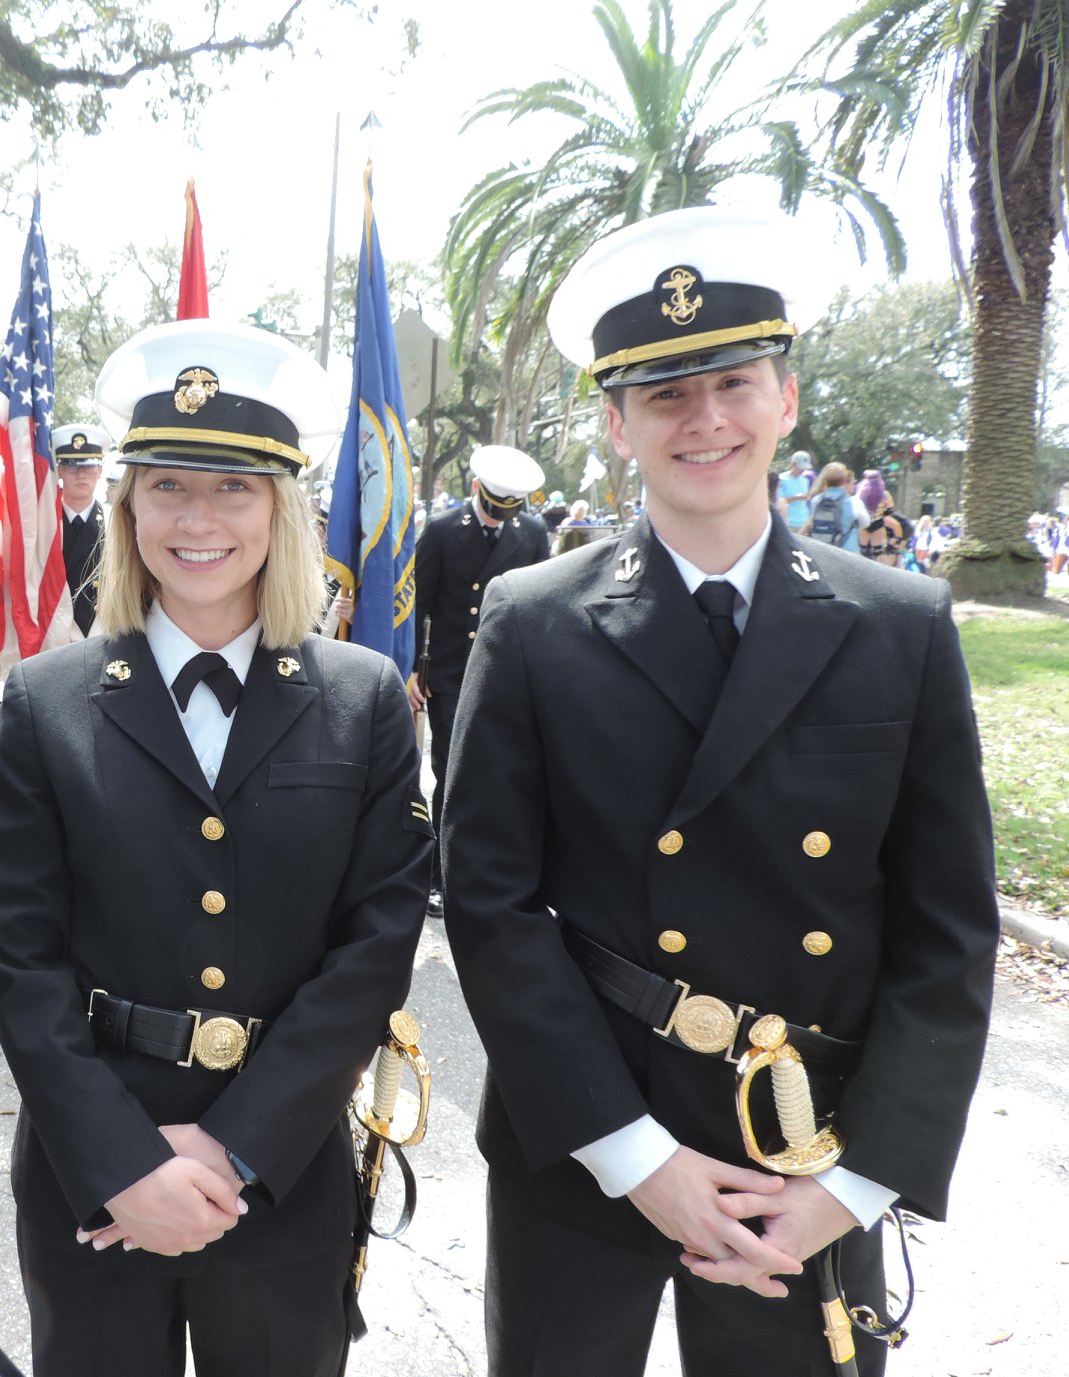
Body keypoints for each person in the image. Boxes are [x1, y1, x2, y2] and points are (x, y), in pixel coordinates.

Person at [445, 204, 998, 1376]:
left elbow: (947, 931)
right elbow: (490, 903)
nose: (705, 421)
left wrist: (858, 1176)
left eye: (735, 383)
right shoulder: (533, 622)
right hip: (586, 1136)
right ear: (616, 424)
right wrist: (630, 1152)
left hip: (805, 1149)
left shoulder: (898, 627)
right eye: (663, 396)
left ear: (786, 401)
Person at [0, 318, 432, 1377]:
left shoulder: (360, 702)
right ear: (127, 508)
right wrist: (124, 1161)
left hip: (284, 1163)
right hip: (94, 1171)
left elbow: (376, 945)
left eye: (233, 488)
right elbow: (13, 950)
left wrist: (233, 1150)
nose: (198, 518)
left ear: (283, 509)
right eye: (167, 486)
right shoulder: (49, 700)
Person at [409, 444, 548, 918]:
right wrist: (413, 667)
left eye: (505, 513)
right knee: (451, 777)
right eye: (491, 510)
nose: (496, 522)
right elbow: (420, 604)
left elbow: (539, 604)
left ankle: (493, 874)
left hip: (506, 672)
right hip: (451, 673)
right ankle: (437, 877)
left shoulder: (531, 533)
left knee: (505, 776)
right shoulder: (443, 531)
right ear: (476, 490)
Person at [54, 422, 110, 636]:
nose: (81, 474)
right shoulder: (45, 526)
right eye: (71, 464)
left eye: (89, 465)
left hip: (101, 630)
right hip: (56, 634)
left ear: (100, 471)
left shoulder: (115, 522)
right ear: (59, 470)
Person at [801, 460, 860, 552]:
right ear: (844, 480)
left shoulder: (816, 498)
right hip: (845, 548)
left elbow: (810, 522)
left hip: (822, 546)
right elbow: (862, 522)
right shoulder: (849, 501)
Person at [777, 449, 813, 530]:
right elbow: (779, 502)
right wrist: (795, 498)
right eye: (800, 468)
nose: (802, 470)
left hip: (804, 522)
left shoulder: (805, 480)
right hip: (788, 522)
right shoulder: (782, 479)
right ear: (793, 464)